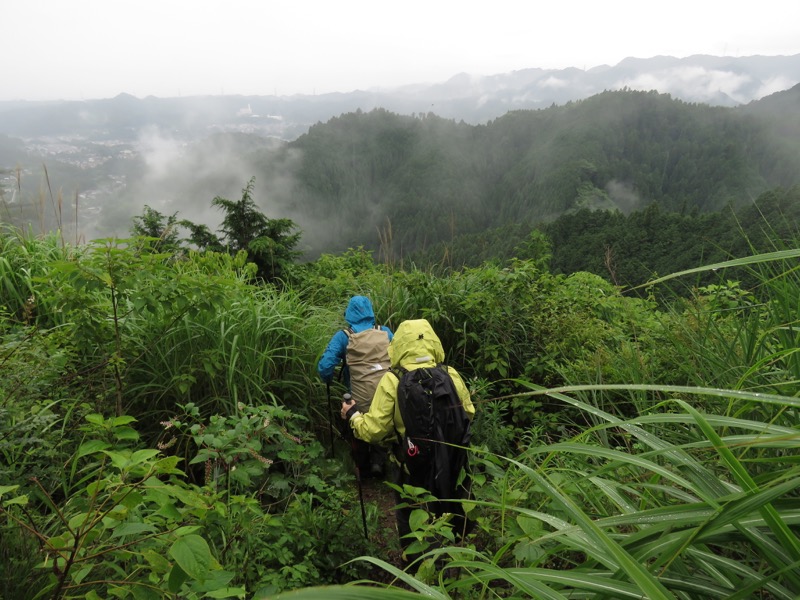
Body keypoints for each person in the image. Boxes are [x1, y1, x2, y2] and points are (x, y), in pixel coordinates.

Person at [340, 318, 475, 555]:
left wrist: (352, 415)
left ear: (398, 345)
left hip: (410, 463)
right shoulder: (450, 374)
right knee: (451, 501)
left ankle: (415, 563)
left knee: (410, 512)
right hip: (452, 460)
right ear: (434, 341)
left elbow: (373, 431)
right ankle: (455, 558)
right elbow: (468, 413)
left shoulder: (393, 380)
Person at [318, 295, 393, 476]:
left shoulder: (343, 337)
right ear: (371, 312)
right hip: (387, 396)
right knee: (381, 422)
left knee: (356, 418)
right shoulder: (385, 332)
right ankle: (379, 462)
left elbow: (325, 367)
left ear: (349, 314)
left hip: (359, 398)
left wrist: (328, 378)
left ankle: (362, 465)